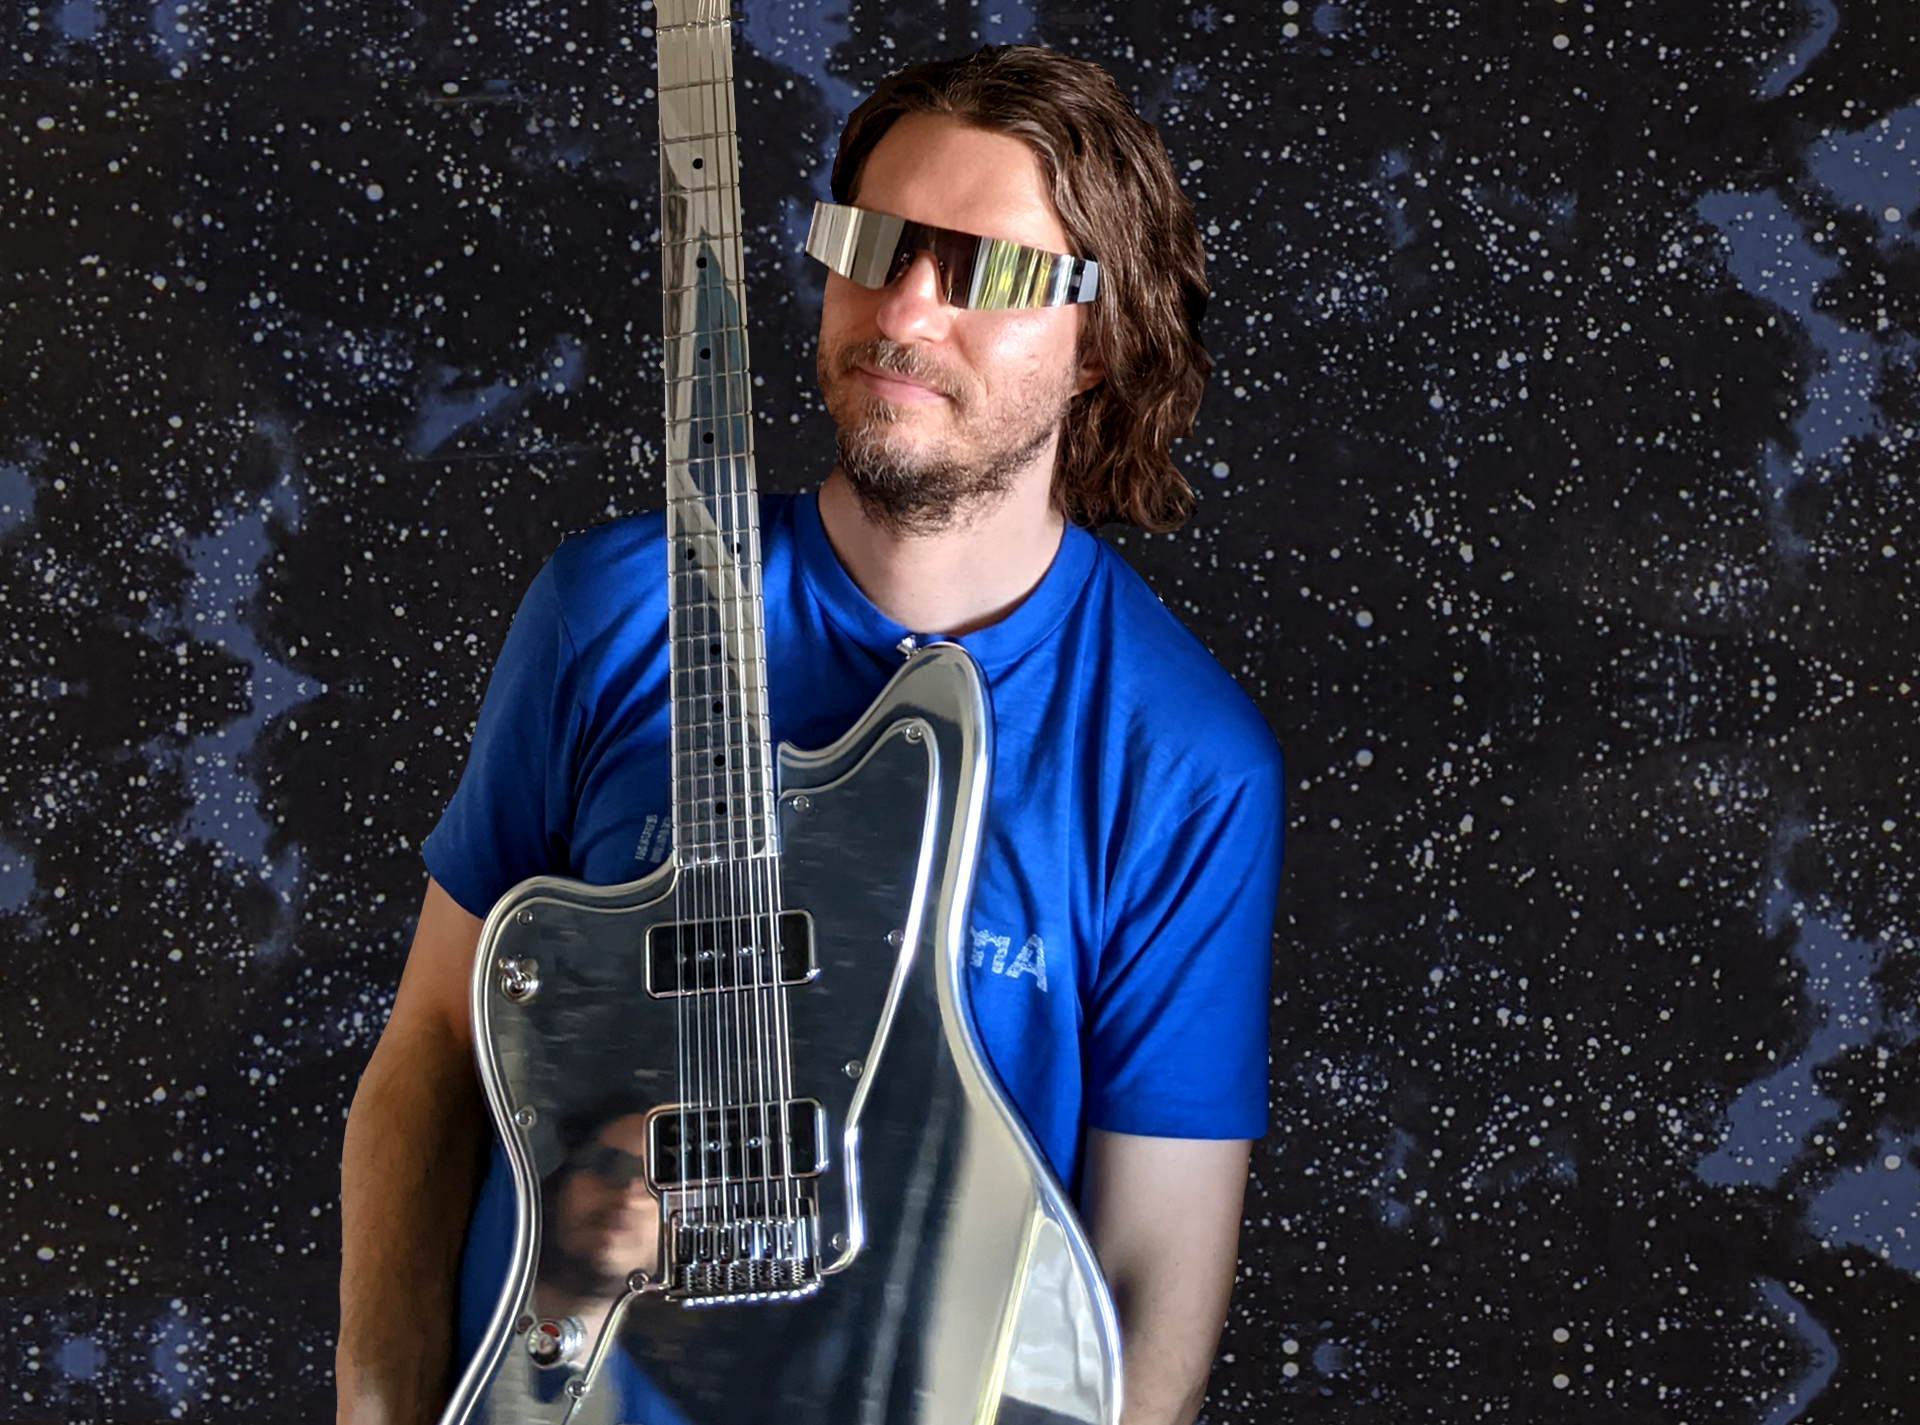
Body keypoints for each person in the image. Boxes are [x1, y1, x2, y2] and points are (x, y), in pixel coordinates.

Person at [338, 44, 1282, 1425]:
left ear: (1104, 341)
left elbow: (1147, 1282)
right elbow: (431, 1058)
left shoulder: (1180, 763)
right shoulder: (611, 611)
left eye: (989, 270)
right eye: (875, 244)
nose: (905, 307)